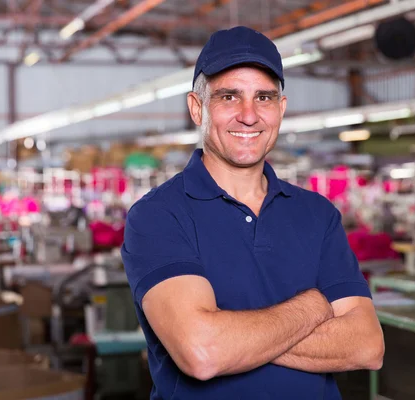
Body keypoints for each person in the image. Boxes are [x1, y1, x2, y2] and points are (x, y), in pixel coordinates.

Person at [122, 26, 384, 400]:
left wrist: (232, 336)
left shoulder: (317, 215)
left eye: (263, 97)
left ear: (281, 108)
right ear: (198, 108)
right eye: (229, 96)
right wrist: (313, 307)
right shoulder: (157, 216)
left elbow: (366, 346)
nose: (249, 115)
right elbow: (202, 352)